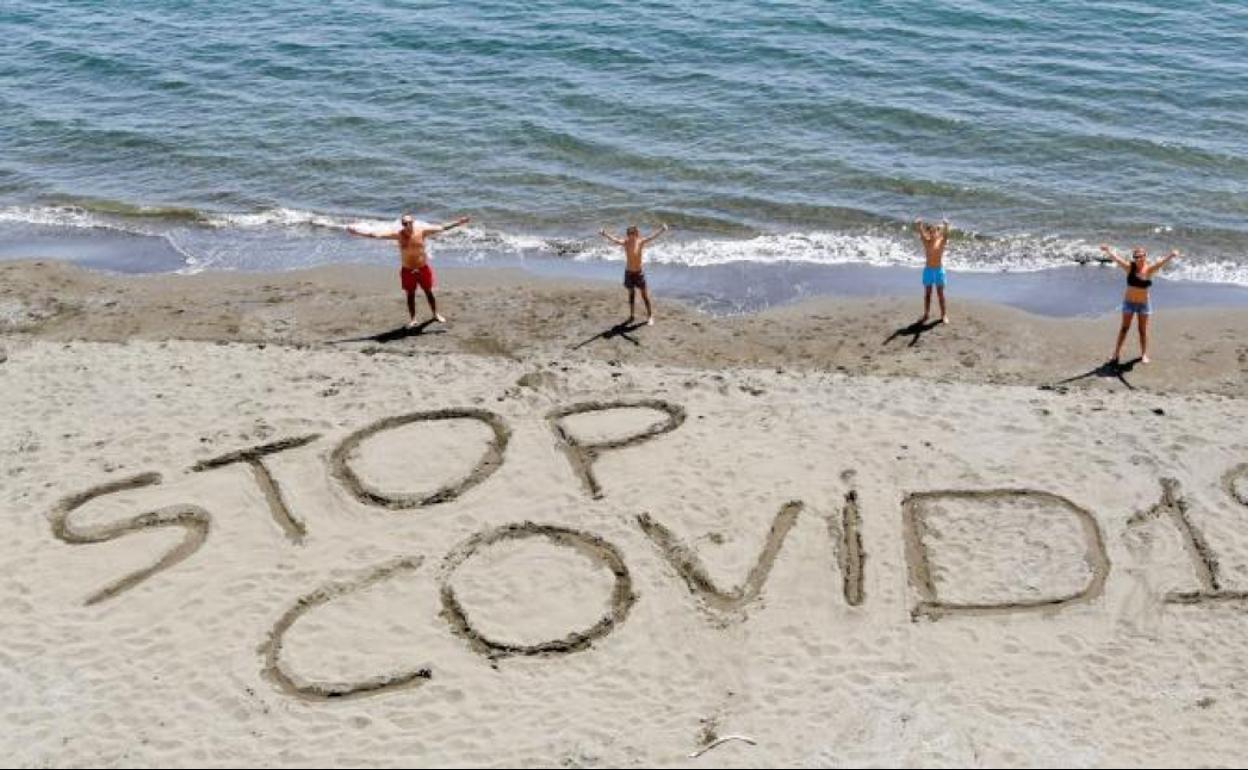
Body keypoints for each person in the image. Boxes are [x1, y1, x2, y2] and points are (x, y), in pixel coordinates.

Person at [347, 213, 470, 327]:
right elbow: (376, 235)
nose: (407, 225)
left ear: (413, 222)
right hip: (407, 270)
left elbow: (442, 228)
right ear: (402, 224)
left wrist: (459, 222)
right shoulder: (398, 235)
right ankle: (413, 319)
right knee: (410, 295)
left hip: (422, 268)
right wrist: (357, 232)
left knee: (429, 292)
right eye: (405, 223)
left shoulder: (422, 232)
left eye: (409, 222)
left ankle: (435, 314)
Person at [1100, 243, 1179, 364]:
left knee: (1142, 330)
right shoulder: (1129, 268)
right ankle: (1115, 354)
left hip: (1143, 304)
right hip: (1129, 303)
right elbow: (1117, 259)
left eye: (1141, 256)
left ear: (1145, 256)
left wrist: (1171, 255)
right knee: (1124, 329)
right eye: (1136, 257)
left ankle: (1144, 354)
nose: (1138, 259)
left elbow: (1160, 263)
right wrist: (1107, 251)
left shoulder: (1149, 270)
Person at [598, 223, 669, 325]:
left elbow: (652, 237)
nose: (631, 234)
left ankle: (650, 316)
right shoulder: (626, 243)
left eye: (633, 232)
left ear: (636, 233)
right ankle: (632, 315)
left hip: (639, 273)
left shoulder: (641, 242)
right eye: (629, 232)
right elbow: (614, 240)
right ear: (627, 234)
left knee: (644, 296)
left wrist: (662, 230)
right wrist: (604, 234)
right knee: (631, 295)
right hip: (629, 273)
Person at [914, 218, 950, 323]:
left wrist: (947, 225)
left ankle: (944, 315)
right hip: (928, 271)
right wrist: (919, 224)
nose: (933, 233)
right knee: (928, 294)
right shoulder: (926, 242)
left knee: (940, 294)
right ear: (929, 233)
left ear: (938, 232)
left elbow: (947, 235)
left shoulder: (941, 242)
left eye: (935, 231)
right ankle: (926, 314)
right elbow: (921, 233)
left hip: (939, 270)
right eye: (931, 232)